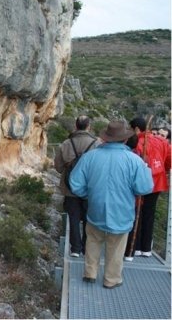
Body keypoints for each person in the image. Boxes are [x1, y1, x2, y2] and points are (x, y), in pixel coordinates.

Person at [69, 120, 153, 289]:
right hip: (122, 211)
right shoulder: (134, 160)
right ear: (124, 139)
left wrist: (88, 194)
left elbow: (75, 183)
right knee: (116, 246)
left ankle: (90, 273)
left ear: (106, 138)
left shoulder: (90, 157)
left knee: (93, 240)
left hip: (95, 208)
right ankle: (111, 279)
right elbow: (145, 187)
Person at [54, 115, 102, 257]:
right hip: (90, 189)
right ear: (89, 127)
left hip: (70, 188)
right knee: (89, 219)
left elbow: (58, 167)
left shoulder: (66, 143)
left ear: (76, 126)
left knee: (73, 218)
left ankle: (75, 248)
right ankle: (87, 248)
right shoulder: (97, 144)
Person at [124, 117, 171, 260]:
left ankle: (135, 247)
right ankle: (146, 248)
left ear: (136, 129)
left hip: (140, 183)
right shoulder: (162, 141)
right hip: (157, 182)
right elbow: (169, 160)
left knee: (136, 212)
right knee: (149, 214)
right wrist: (165, 170)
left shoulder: (136, 142)